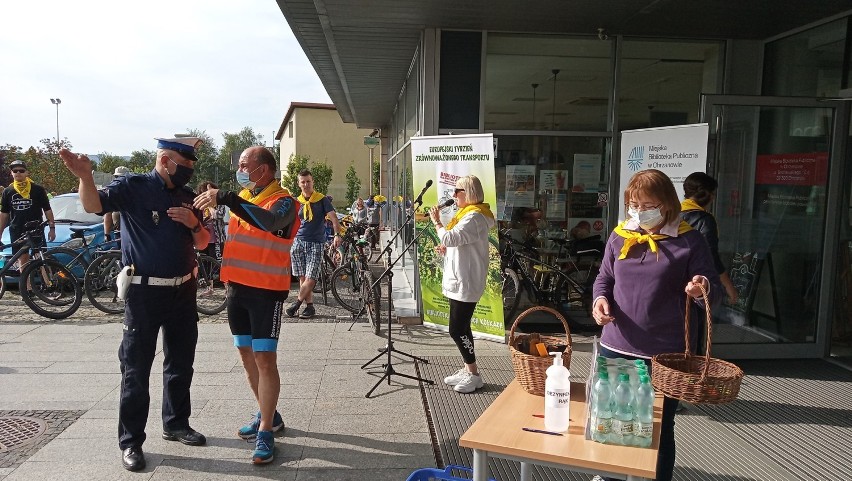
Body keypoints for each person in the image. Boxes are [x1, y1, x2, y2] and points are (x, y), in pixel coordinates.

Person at [59, 137, 210, 472]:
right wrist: (85, 177)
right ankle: (131, 442)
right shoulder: (134, 187)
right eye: (185, 167)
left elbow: (204, 242)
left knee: (181, 363)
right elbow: (93, 205)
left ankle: (176, 423)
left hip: (183, 291)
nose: (188, 173)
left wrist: (194, 224)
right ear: (167, 161)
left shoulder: (188, 197)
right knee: (136, 371)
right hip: (144, 294)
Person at [591, 169, 722, 481]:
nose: (638, 211)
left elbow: (711, 292)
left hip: (663, 355)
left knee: (659, 427)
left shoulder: (689, 239)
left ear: (666, 203)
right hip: (615, 346)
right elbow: (605, 278)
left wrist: (700, 287)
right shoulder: (621, 233)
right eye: (633, 205)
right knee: (611, 418)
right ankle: (611, 475)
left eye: (646, 204)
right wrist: (598, 300)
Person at [193, 146, 299, 464]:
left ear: (264, 169)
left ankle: (266, 430)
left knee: (265, 359)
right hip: (236, 290)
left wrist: (227, 198)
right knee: (246, 356)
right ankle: (270, 414)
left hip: (266, 293)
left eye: (244, 164)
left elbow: (269, 223)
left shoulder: (285, 202)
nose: (239, 169)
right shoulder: (246, 197)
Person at [428, 175, 495, 393]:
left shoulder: (475, 217)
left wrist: (437, 222)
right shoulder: (467, 215)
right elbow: (456, 242)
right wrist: (446, 248)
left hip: (466, 281)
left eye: (457, 192)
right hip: (460, 279)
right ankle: (469, 369)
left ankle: (474, 374)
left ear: (468, 193)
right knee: (462, 327)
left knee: (456, 330)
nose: (454, 196)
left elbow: (450, 237)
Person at [286, 169, 342, 319]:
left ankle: (296, 304)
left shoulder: (321, 199)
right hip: (298, 242)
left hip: (316, 242)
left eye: (308, 181)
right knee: (303, 277)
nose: (306, 184)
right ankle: (309, 307)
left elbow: (334, 218)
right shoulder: (297, 201)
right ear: (299, 184)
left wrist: (337, 234)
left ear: (313, 182)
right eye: (303, 182)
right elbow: (291, 222)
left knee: (311, 277)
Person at [680, 172, 739, 304]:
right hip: (697, 283)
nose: (713, 198)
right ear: (707, 194)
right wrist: (728, 285)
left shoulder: (672, 214)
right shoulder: (705, 220)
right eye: (713, 194)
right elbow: (710, 255)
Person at [0, 160, 56, 267]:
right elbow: (4, 214)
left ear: (27, 173)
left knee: (40, 258)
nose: (18, 173)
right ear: (11, 173)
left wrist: (52, 228)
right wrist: (0, 233)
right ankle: (26, 284)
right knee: (22, 259)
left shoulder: (38, 190)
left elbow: (47, 210)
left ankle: (47, 282)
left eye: (21, 170)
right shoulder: (8, 191)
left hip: (35, 229)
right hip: (17, 230)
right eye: (15, 171)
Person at [103, 166, 130, 241]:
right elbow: (108, 213)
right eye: (117, 177)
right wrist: (107, 234)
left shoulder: (134, 190)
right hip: (121, 233)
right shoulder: (113, 192)